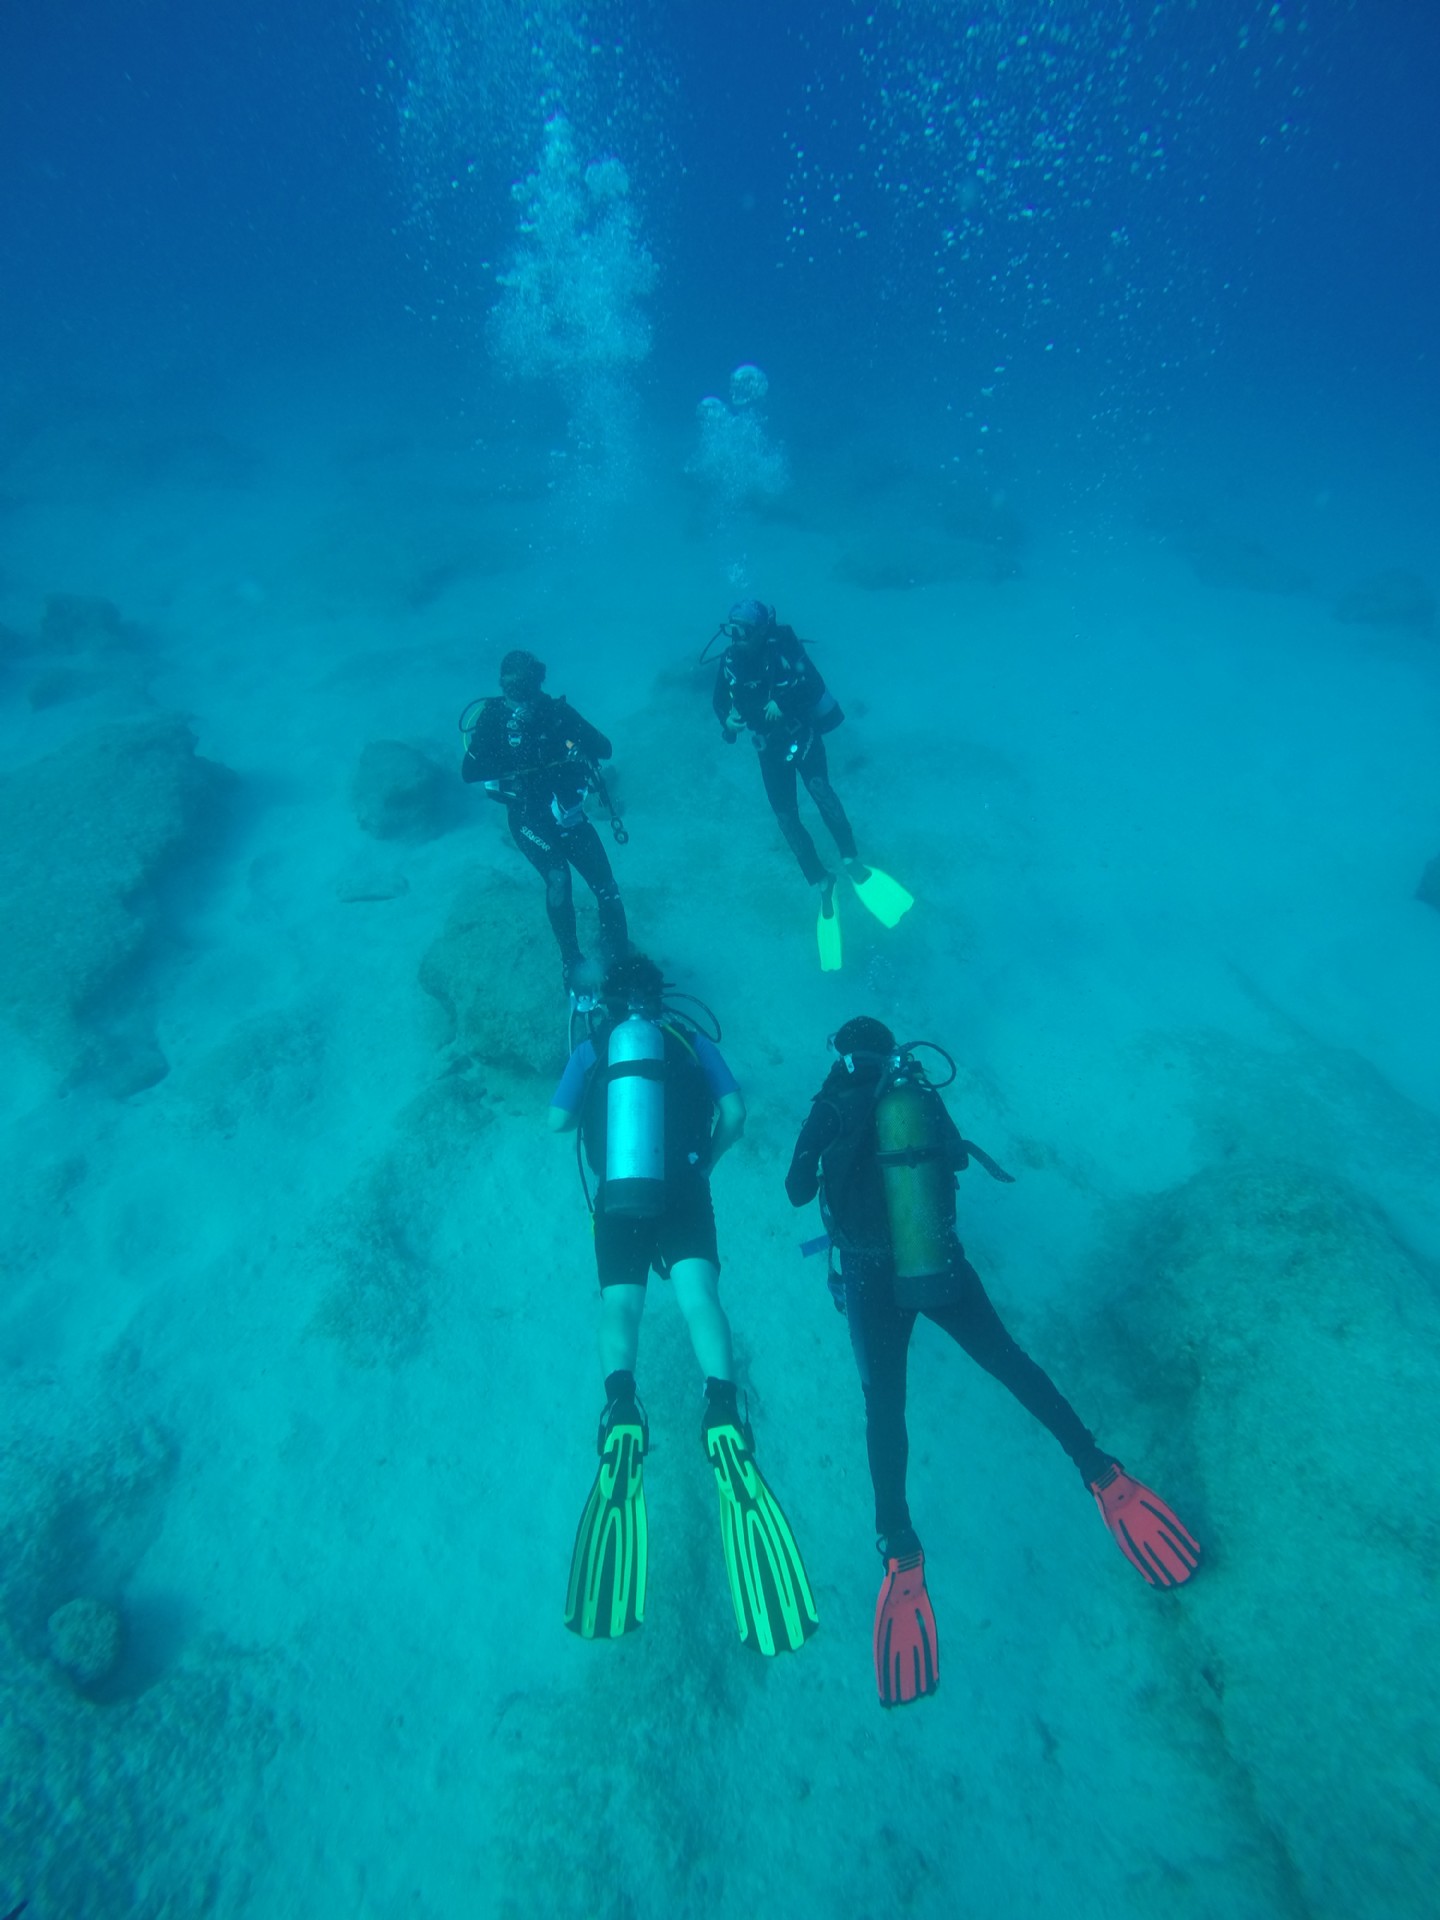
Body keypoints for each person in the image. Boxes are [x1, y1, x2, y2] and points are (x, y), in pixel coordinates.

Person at [785, 1016, 1201, 1709]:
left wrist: (831, 1141)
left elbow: (798, 1190)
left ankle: (899, 1544)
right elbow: (951, 1163)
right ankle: (1099, 1469)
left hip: (867, 1274)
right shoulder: (915, 1094)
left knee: (884, 1407)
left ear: (841, 1052)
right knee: (1010, 1362)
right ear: (891, 1052)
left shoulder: (831, 1102)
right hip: (935, 1261)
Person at [549, 951, 818, 1657]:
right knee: (700, 1299)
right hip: (687, 1191)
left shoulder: (596, 1045)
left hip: (618, 1196)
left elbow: (555, 1122)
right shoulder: (691, 1040)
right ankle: (723, 1405)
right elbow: (736, 1112)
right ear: (662, 995)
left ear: (611, 998)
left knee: (621, 1307)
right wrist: (707, 1165)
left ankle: (621, 1405)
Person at [709, 599, 913, 970]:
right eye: (731, 629)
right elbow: (719, 700)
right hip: (767, 751)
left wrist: (784, 702)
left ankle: (851, 861)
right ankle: (822, 881)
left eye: (744, 630)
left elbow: (814, 685)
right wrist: (728, 721)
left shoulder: (784, 650)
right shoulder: (730, 661)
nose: (736, 637)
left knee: (821, 793)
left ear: (761, 630)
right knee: (786, 818)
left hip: (802, 738)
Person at [461, 650, 628, 991]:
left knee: (606, 887)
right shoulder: (493, 719)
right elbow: (470, 771)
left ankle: (617, 955)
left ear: (539, 682)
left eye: (526, 685)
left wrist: (575, 745)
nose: (519, 695)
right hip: (527, 819)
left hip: (569, 816)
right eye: (512, 687)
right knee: (558, 879)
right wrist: (515, 756)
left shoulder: (557, 714)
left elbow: (605, 748)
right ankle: (572, 963)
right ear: (502, 686)